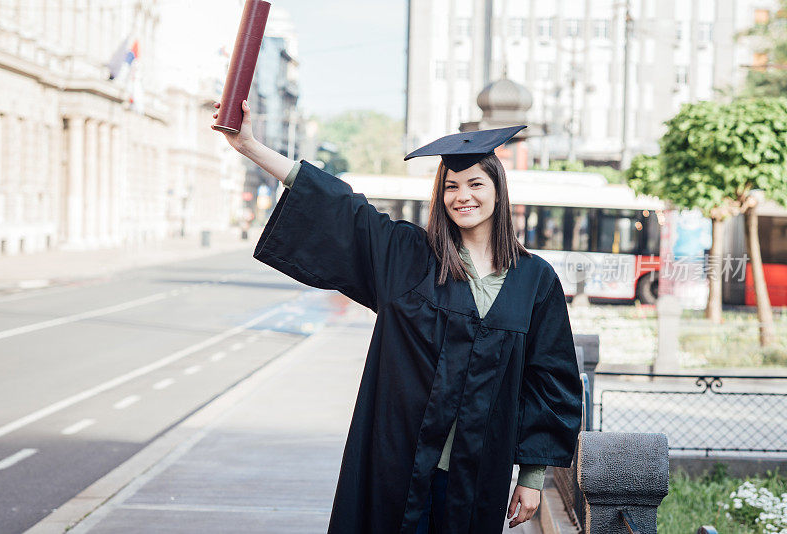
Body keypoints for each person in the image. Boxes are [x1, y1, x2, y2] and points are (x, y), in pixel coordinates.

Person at [213, 100, 582, 534]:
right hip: (399, 463)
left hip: (480, 471)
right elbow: (344, 210)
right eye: (451, 187)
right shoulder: (410, 258)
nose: (463, 197)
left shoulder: (535, 281)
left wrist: (532, 477)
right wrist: (252, 147)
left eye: (475, 184)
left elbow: (550, 379)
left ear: (498, 191)